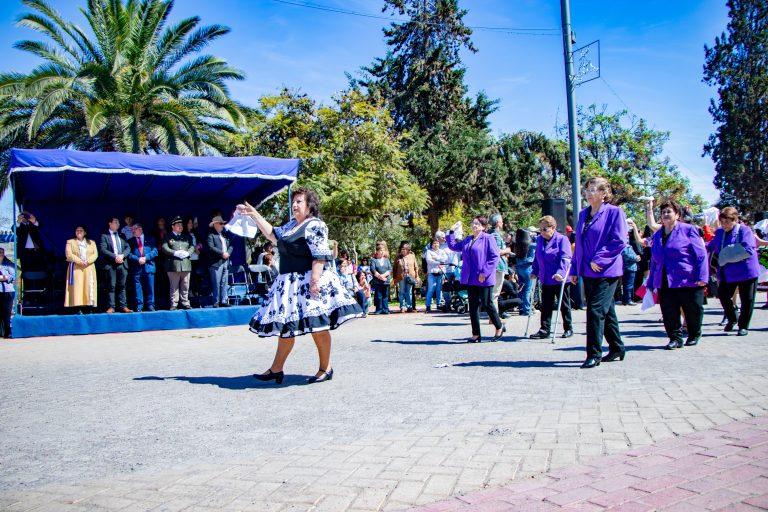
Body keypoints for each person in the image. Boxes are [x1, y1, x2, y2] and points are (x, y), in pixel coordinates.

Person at [242, 188, 363, 384]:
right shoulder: (291, 225)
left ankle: (326, 368)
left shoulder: (314, 225)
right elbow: (273, 235)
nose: (295, 205)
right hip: (289, 284)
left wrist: (314, 281)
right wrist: (254, 214)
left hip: (308, 282)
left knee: (318, 326)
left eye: (299, 201)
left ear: (309, 205)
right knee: (287, 327)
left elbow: (320, 254)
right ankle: (276, 369)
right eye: (294, 202)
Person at [571, 177, 628, 368]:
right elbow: (579, 245)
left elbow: (619, 240)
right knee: (607, 310)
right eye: (587, 189)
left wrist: (600, 259)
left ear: (604, 194)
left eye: (593, 189)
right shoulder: (583, 214)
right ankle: (617, 347)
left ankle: (593, 354)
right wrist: (574, 269)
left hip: (607, 271)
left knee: (595, 311)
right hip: (588, 271)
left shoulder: (614, 213)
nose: (588, 193)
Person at [646, 199, 709, 349]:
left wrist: (702, 276)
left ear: (677, 214)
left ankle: (694, 334)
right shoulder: (657, 235)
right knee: (669, 310)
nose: (666, 214)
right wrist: (651, 281)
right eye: (663, 212)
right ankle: (675, 338)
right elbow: (655, 260)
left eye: (669, 212)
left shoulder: (689, 230)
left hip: (688, 278)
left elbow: (700, 255)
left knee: (692, 309)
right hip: (665, 279)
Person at [446, 216, 504, 343]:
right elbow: (453, 246)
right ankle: (476, 334)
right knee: (472, 307)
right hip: (471, 277)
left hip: (484, 277)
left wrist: (485, 272)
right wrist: (451, 232)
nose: (474, 225)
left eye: (477, 224)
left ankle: (499, 326)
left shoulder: (488, 238)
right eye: (473, 223)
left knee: (487, 303)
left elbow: (494, 257)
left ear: (483, 227)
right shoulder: (468, 240)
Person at [707, 207, 761, 336]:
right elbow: (711, 245)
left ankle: (743, 326)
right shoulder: (720, 232)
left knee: (747, 299)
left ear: (735, 220)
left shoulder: (745, 230)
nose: (724, 225)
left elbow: (748, 249)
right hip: (728, 271)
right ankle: (732, 318)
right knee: (723, 295)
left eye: (727, 222)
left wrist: (726, 254)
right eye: (722, 221)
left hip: (746, 271)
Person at [530, 215, 573, 339]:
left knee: (564, 304)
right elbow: (537, 258)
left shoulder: (562, 240)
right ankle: (544, 329)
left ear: (553, 228)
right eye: (541, 229)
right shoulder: (539, 240)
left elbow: (565, 258)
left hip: (559, 277)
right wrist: (535, 271)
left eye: (545, 229)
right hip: (546, 277)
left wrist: (561, 273)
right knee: (546, 305)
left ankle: (568, 328)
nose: (542, 232)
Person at [98, 217, 132, 313]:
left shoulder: (122, 235)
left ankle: (123, 306)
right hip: (111, 264)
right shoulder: (105, 236)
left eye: (118, 222)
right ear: (110, 223)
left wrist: (122, 256)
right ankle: (111, 306)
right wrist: (115, 257)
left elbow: (128, 248)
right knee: (111, 286)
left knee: (122, 286)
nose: (118, 224)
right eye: (115, 222)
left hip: (122, 263)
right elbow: (103, 250)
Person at [64, 225, 98, 313]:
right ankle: (77, 308)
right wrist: (79, 261)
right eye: (77, 230)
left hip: (88, 266)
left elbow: (95, 254)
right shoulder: (70, 242)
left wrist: (87, 261)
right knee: (77, 287)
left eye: (81, 230)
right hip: (76, 267)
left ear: (85, 233)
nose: (79, 232)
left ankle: (88, 307)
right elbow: (69, 254)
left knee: (88, 286)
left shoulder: (92, 242)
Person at [162, 216, 193, 311]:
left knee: (185, 285)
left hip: (185, 264)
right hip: (173, 265)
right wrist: (174, 253)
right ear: (173, 226)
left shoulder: (186, 237)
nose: (180, 227)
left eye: (181, 225)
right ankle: (174, 303)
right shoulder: (168, 237)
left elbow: (191, 246)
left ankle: (185, 302)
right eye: (178, 225)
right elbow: (164, 247)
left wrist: (188, 253)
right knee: (174, 285)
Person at [127, 223, 158, 312]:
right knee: (137, 287)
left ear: (140, 229)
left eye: (134, 229)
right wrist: (138, 259)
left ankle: (150, 305)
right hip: (137, 267)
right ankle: (139, 306)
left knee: (150, 287)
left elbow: (155, 251)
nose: (133, 231)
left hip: (149, 266)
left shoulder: (150, 239)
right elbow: (129, 254)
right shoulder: (131, 241)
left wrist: (145, 258)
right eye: (132, 230)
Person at [206, 215, 234, 308]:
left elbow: (231, 246)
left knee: (224, 282)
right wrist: (222, 253)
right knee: (216, 283)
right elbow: (211, 248)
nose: (223, 225)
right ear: (215, 224)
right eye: (221, 224)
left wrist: (228, 253)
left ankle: (223, 300)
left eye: (223, 224)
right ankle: (216, 301)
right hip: (216, 263)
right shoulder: (211, 235)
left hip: (225, 261)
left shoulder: (225, 235)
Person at [489, 214, 512, 315]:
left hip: (493, 266)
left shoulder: (489, 233)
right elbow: (496, 251)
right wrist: (507, 250)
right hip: (498, 266)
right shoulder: (496, 235)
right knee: (494, 293)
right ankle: (494, 317)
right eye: (501, 221)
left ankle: (493, 316)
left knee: (493, 293)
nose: (503, 223)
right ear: (498, 223)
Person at [513, 228, 535, 316]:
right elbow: (540, 244)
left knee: (521, 289)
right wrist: (534, 236)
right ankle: (527, 309)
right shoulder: (530, 244)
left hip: (519, 268)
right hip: (527, 268)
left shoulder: (517, 244)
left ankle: (521, 308)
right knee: (527, 290)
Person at [393, 241, 419, 313]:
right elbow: (394, 268)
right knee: (401, 292)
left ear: (408, 249)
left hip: (410, 277)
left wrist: (417, 276)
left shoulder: (412, 256)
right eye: (402, 249)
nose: (403, 250)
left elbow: (416, 267)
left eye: (405, 249)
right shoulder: (398, 257)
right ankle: (402, 307)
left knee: (409, 292)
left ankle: (409, 306)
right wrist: (394, 278)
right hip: (401, 277)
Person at [424, 238, 447, 312]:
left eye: (437, 243)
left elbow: (445, 259)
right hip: (432, 273)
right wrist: (439, 262)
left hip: (440, 273)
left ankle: (439, 304)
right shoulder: (428, 252)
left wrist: (436, 258)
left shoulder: (442, 251)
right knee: (431, 289)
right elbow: (429, 261)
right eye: (434, 243)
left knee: (439, 289)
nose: (436, 244)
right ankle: (428, 305)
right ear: (431, 245)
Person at [620, 231, 641, 305]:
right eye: (626, 235)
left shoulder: (626, 244)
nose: (628, 236)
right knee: (628, 285)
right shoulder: (624, 245)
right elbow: (626, 255)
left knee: (628, 285)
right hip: (629, 267)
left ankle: (627, 299)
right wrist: (636, 258)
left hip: (630, 267)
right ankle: (628, 300)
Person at [370, 244, 392, 314]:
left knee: (385, 296)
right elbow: (372, 269)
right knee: (379, 296)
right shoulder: (374, 260)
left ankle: (385, 309)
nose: (382, 252)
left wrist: (384, 276)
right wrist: (380, 277)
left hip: (386, 281)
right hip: (377, 281)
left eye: (383, 250)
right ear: (377, 251)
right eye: (380, 250)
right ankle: (379, 309)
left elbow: (390, 269)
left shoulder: (387, 260)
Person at [0, 248, 16, 337]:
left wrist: (4, 277)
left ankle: (7, 332)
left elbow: (13, 275)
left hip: (7, 291)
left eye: (2, 253)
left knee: (7, 312)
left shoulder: (8, 264)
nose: (1, 254)